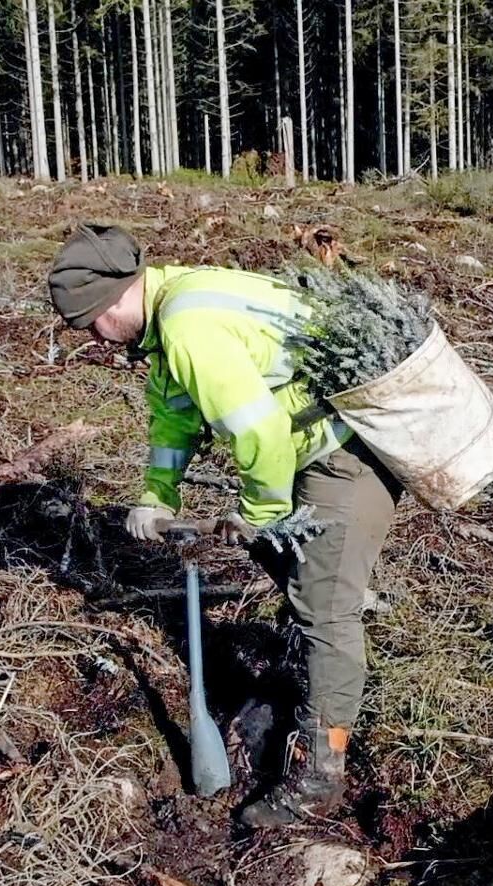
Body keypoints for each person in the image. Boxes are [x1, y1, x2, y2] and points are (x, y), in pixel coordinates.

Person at [47, 223, 402, 828]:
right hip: (308, 449)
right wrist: (156, 495)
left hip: (346, 454)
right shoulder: (170, 309)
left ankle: (319, 775)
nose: (97, 342)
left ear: (114, 300)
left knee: (324, 608)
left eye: (92, 326)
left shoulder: (187, 327)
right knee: (298, 577)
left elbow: (260, 433)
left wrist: (258, 516)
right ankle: (311, 665)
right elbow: (175, 415)